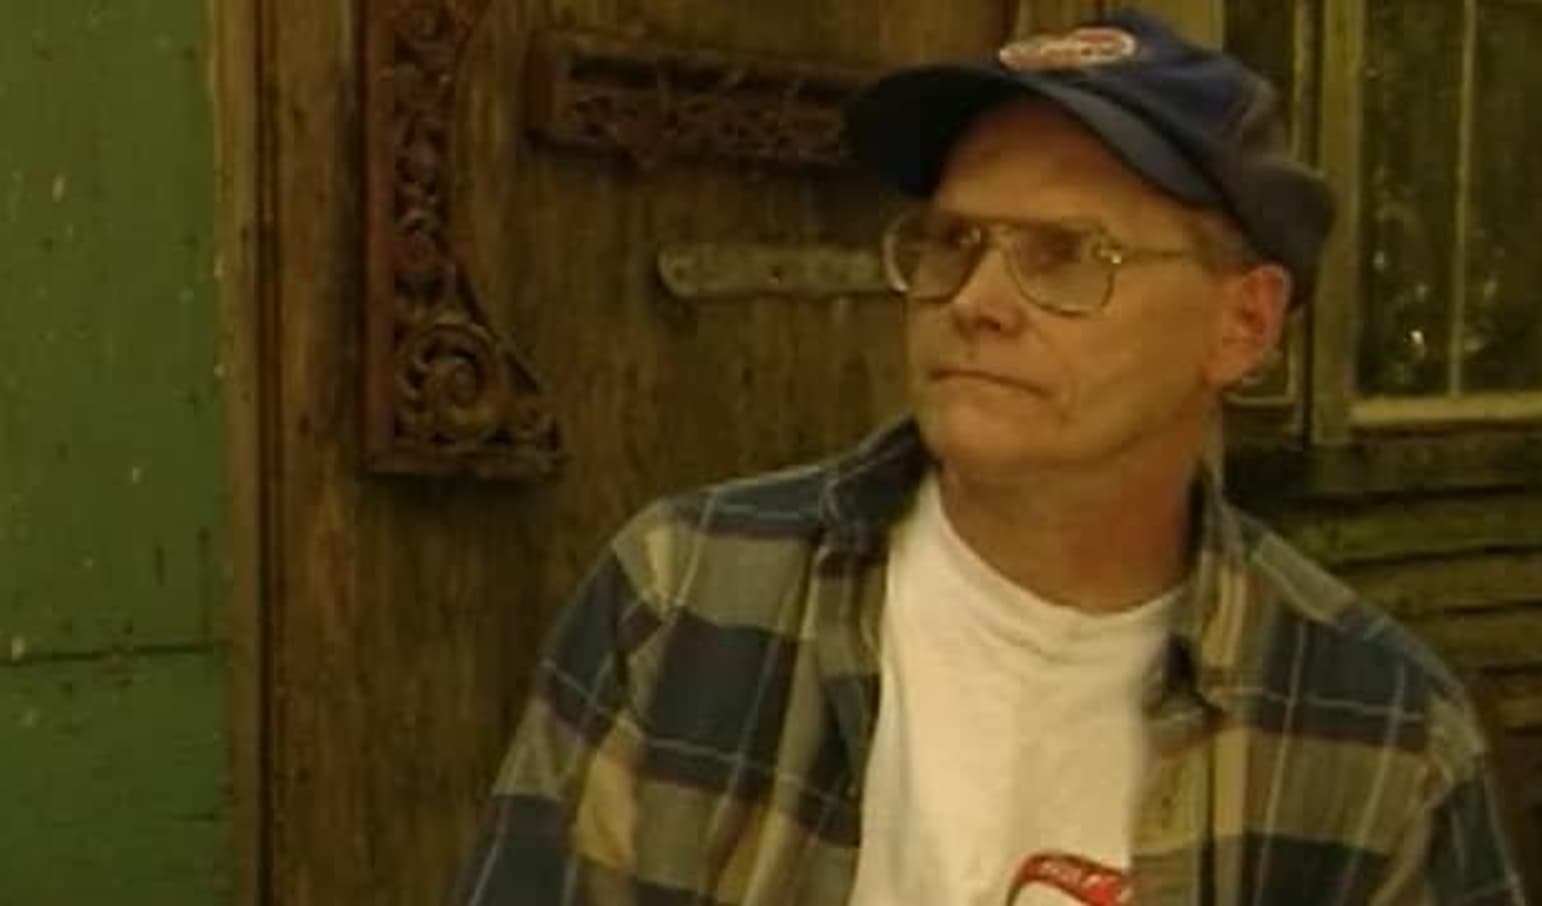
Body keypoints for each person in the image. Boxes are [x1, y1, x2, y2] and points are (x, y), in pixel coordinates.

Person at [453, 11, 1527, 904]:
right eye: (954, 242)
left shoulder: (1381, 736)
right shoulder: (687, 595)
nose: (975, 302)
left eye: (1064, 256)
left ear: (1241, 325)